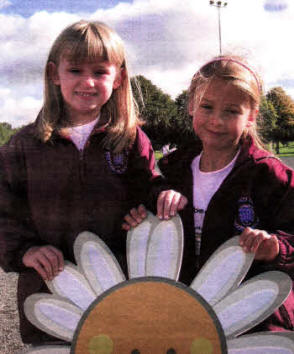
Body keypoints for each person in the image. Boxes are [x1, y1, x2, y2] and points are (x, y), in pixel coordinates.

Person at [0, 20, 158, 345]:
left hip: (119, 297)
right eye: (75, 70)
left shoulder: (130, 140)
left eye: (100, 71)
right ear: (54, 74)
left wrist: (147, 211)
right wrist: (25, 251)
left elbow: (152, 196)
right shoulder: (23, 145)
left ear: (119, 78)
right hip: (49, 300)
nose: (87, 81)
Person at [123, 55, 294, 332]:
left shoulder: (270, 176)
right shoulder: (172, 172)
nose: (216, 120)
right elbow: (149, 227)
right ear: (191, 106)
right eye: (207, 107)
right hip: (187, 318)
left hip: (253, 323)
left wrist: (276, 248)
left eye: (231, 111)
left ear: (251, 116)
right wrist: (140, 218)